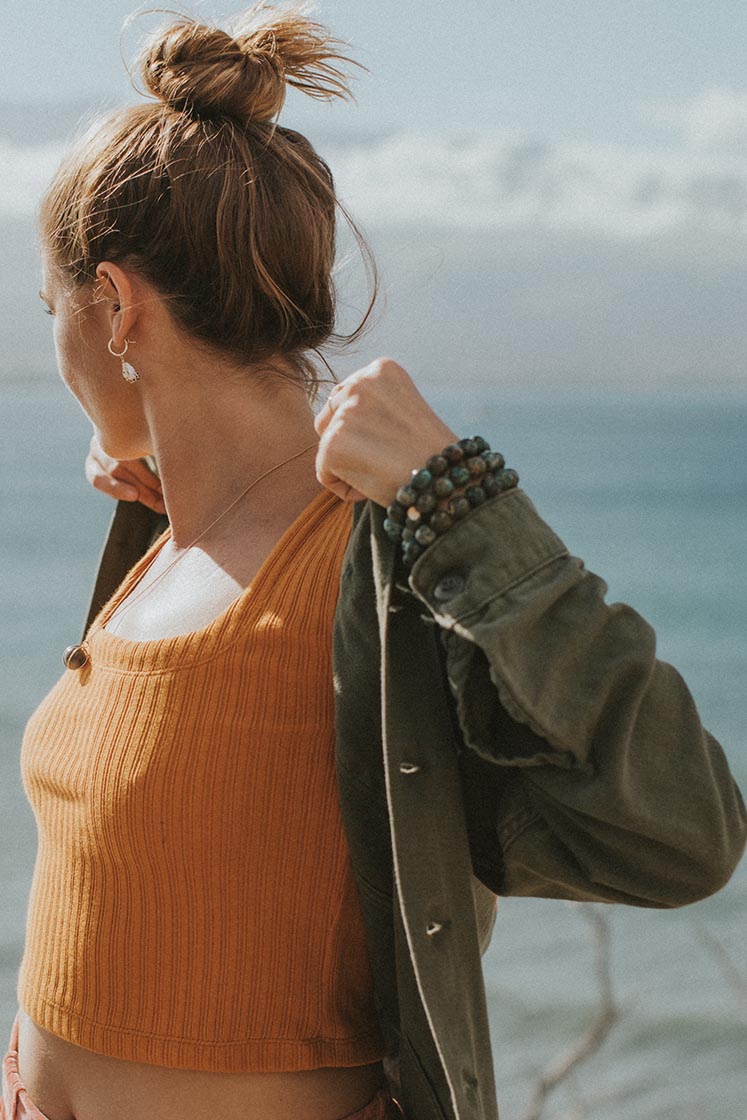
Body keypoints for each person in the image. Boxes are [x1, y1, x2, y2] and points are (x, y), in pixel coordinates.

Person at [7, 6, 746, 1120]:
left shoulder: (386, 572)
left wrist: (466, 504)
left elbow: (689, 832)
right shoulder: (161, 547)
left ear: (114, 306)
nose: (53, 343)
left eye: (51, 308)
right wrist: (163, 484)